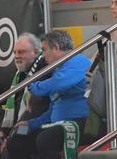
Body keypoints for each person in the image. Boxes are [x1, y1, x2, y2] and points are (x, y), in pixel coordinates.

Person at [8, 30, 91, 159]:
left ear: (56, 48)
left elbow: (56, 84)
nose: (43, 55)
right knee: (18, 135)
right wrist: (31, 123)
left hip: (81, 122)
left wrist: (30, 85)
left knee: (45, 138)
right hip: (56, 123)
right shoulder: (59, 68)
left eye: (45, 50)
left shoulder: (78, 61)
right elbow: (53, 109)